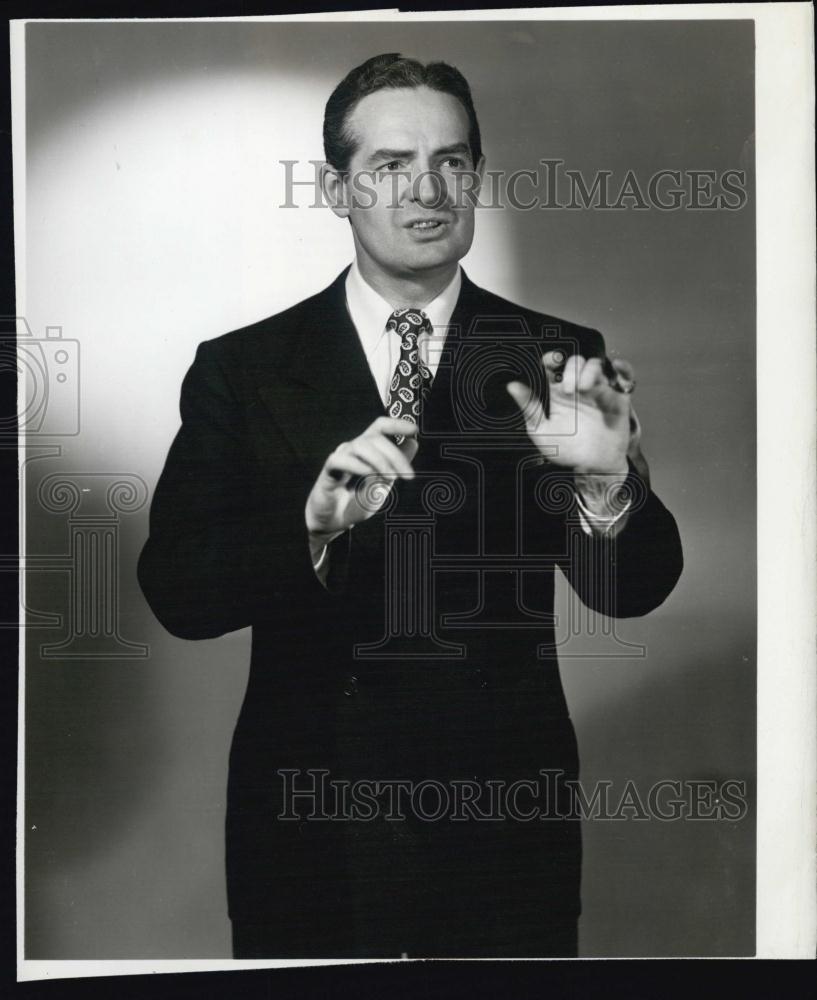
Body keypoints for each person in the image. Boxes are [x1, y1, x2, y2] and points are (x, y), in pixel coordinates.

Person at [138, 53, 683, 959]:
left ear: (476, 176)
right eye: (390, 165)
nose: (427, 189)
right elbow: (177, 593)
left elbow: (630, 591)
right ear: (334, 187)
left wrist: (602, 481)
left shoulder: (552, 357)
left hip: (503, 833)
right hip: (311, 830)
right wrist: (310, 529)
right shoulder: (243, 367)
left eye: (453, 162)